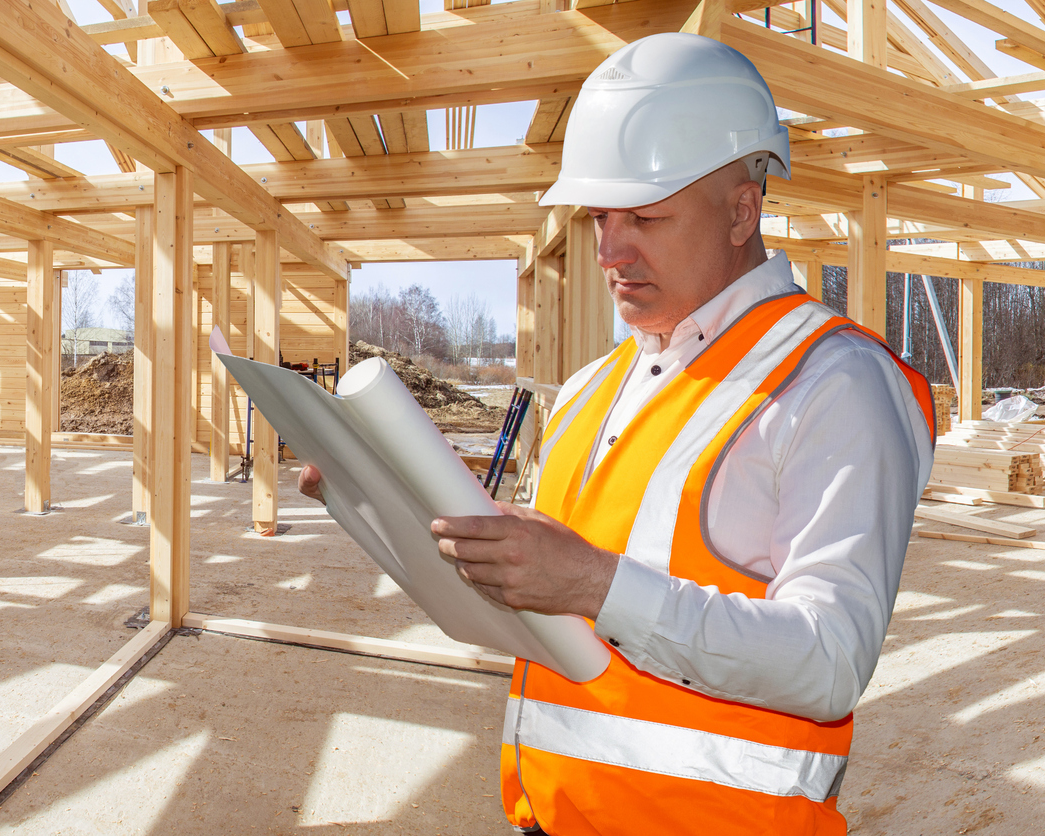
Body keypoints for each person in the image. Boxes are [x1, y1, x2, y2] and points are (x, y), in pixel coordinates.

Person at [301, 33, 935, 836]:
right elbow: (530, 601)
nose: (610, 250)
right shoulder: (589, 391)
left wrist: (596, 585)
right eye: (600, 216)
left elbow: (830, 661)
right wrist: (380, 503)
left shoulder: (831, 384)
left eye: (646, 216)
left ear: (744, 209)